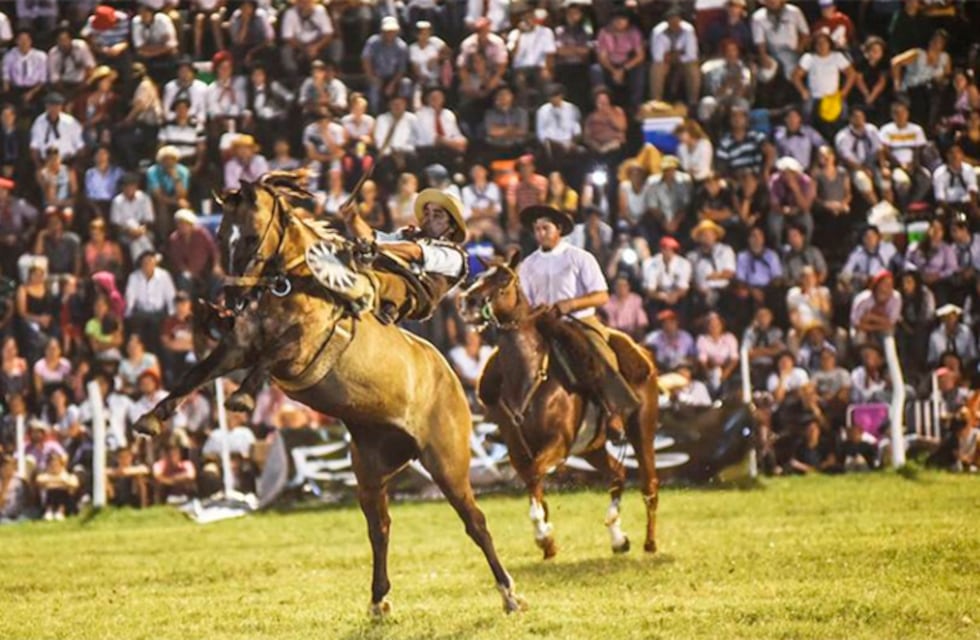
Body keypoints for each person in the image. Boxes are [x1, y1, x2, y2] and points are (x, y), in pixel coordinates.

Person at [517, 203, 650, 439]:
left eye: (546, 228)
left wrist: (569, 305)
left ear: (559, 229)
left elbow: (601, 295)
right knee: (510, 355)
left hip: (577, 321)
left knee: (598, 352)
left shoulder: (579, 258)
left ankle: (613, 409)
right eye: (537, 229)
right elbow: (524, 300)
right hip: (541, 324)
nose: (540, 234)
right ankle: (507, 417)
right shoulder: (528, 264)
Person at [307, 188, 468, 325]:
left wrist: (375, 247)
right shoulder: (407, 235)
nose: (428, 219)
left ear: (452, 226)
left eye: (437, 215)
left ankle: (358, 292)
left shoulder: (455, 257)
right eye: (427, 213)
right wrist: (353, 220)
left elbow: (415, 253)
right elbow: (373, 238)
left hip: (413, 294)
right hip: (382, 272)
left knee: (388, 282)